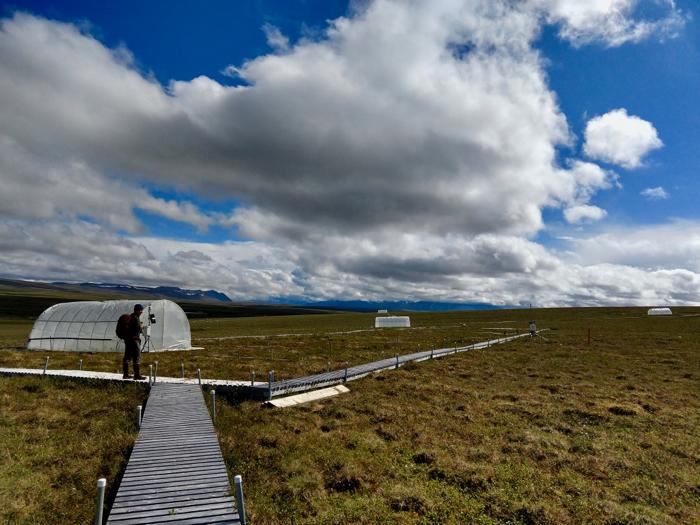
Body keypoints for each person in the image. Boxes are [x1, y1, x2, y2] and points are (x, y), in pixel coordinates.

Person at [123, 304, 147, 380]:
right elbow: (138, 329)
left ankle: (125, 374)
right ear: (137, 310)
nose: (141, 312)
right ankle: (137, 376)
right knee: (136, 356)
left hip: (128, 340)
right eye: (140, 310)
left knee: (127, 356)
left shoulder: (130, 317)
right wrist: (141, 327)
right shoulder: (136, 318)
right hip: (134, 340)